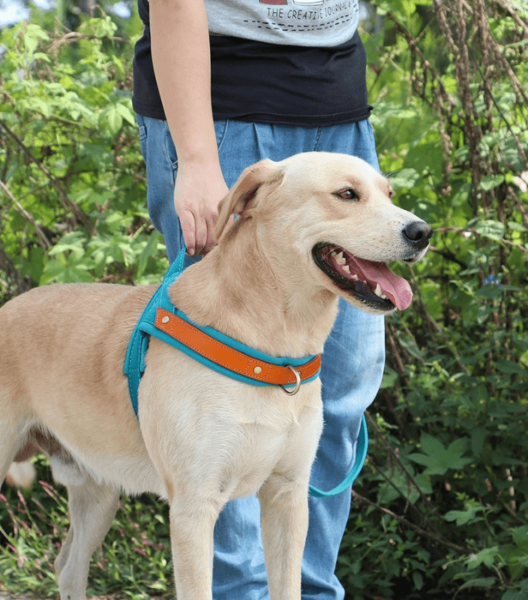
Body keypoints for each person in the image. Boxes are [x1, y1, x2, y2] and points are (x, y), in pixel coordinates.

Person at [132, 1, 385, 597]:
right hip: (225, 106)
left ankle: (306, 590)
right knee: (226, 397)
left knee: (340, 390)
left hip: (338, 102)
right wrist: (195, 158)